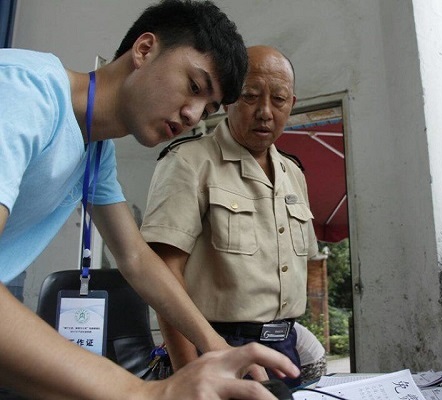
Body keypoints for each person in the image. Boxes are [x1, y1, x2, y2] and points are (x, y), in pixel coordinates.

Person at [0, 1, 299, 399]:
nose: (193, 115)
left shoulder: (95, 152)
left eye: (208, 109)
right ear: (144, 49)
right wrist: (146, 393)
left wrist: (217, 348)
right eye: (194, 87)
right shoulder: (25, 91)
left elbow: (136, 258)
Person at [141, 45, 319, 387]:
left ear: (292, 104)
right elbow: (164, 274)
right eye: (250, 96)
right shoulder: (190, 163)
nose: (265, 112)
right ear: (227, 100)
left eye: (279, 99)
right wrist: (188, 374)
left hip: (284, 349)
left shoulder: (293, 173)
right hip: (214, 348)